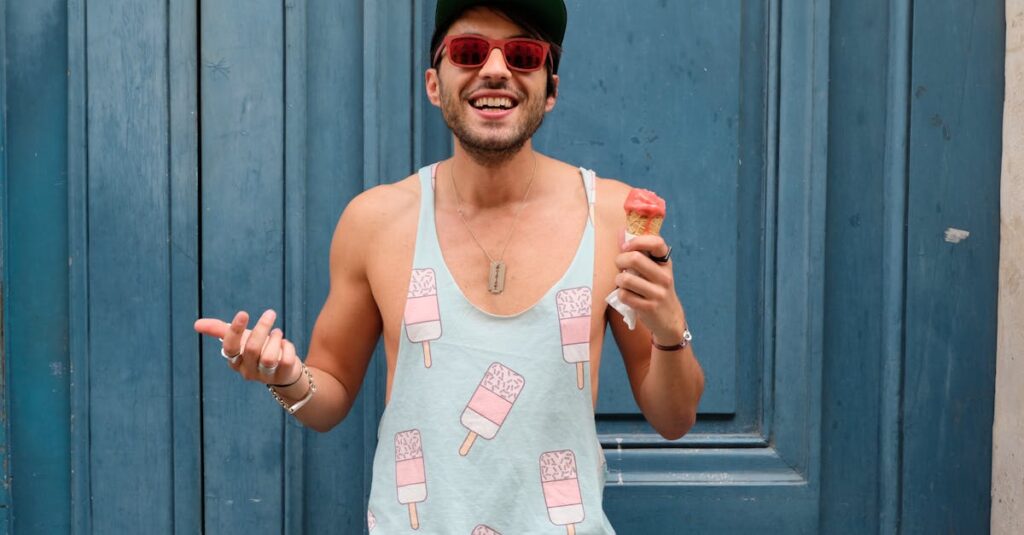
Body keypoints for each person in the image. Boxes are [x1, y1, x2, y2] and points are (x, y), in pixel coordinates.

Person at [194, 0, 704, 532]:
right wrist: (286, 378)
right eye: (468, 50)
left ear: (551, 90)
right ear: (434, 84)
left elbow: (674, 419)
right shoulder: (376, 221)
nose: (495, 69)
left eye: (524, 55)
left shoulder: (613, 218)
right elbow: (331, 397)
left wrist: (670, 331)